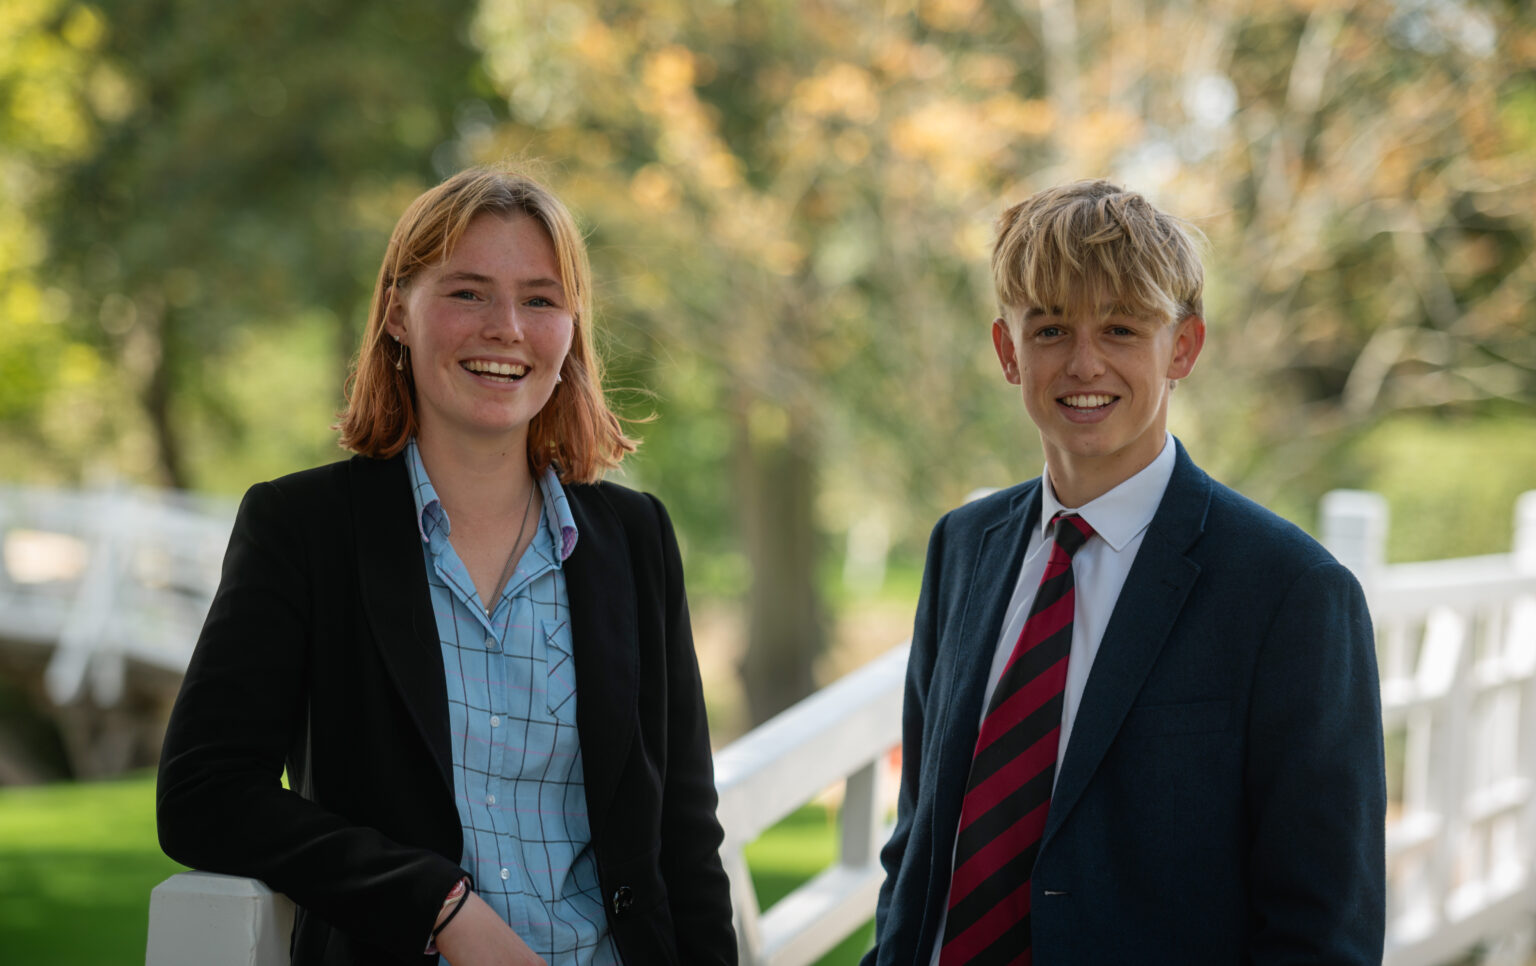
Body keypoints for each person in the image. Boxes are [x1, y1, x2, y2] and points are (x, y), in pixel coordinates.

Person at [157, 165, 737, 966]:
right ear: (398, 311)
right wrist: (437, 904)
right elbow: (204, 795)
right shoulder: (305, 529)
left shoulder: (634, 539)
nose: (507, 327)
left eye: (540, 299)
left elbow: (683, 832)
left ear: (571, 328)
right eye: (468, 292)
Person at [865, 180, 1385, 965]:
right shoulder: (962, 548)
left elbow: (1325, 928)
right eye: (1049, 330)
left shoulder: (1290, 594)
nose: (1083, 363)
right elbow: (919, 845)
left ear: (1182, 347)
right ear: (1008, 352)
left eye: (1120, 328)